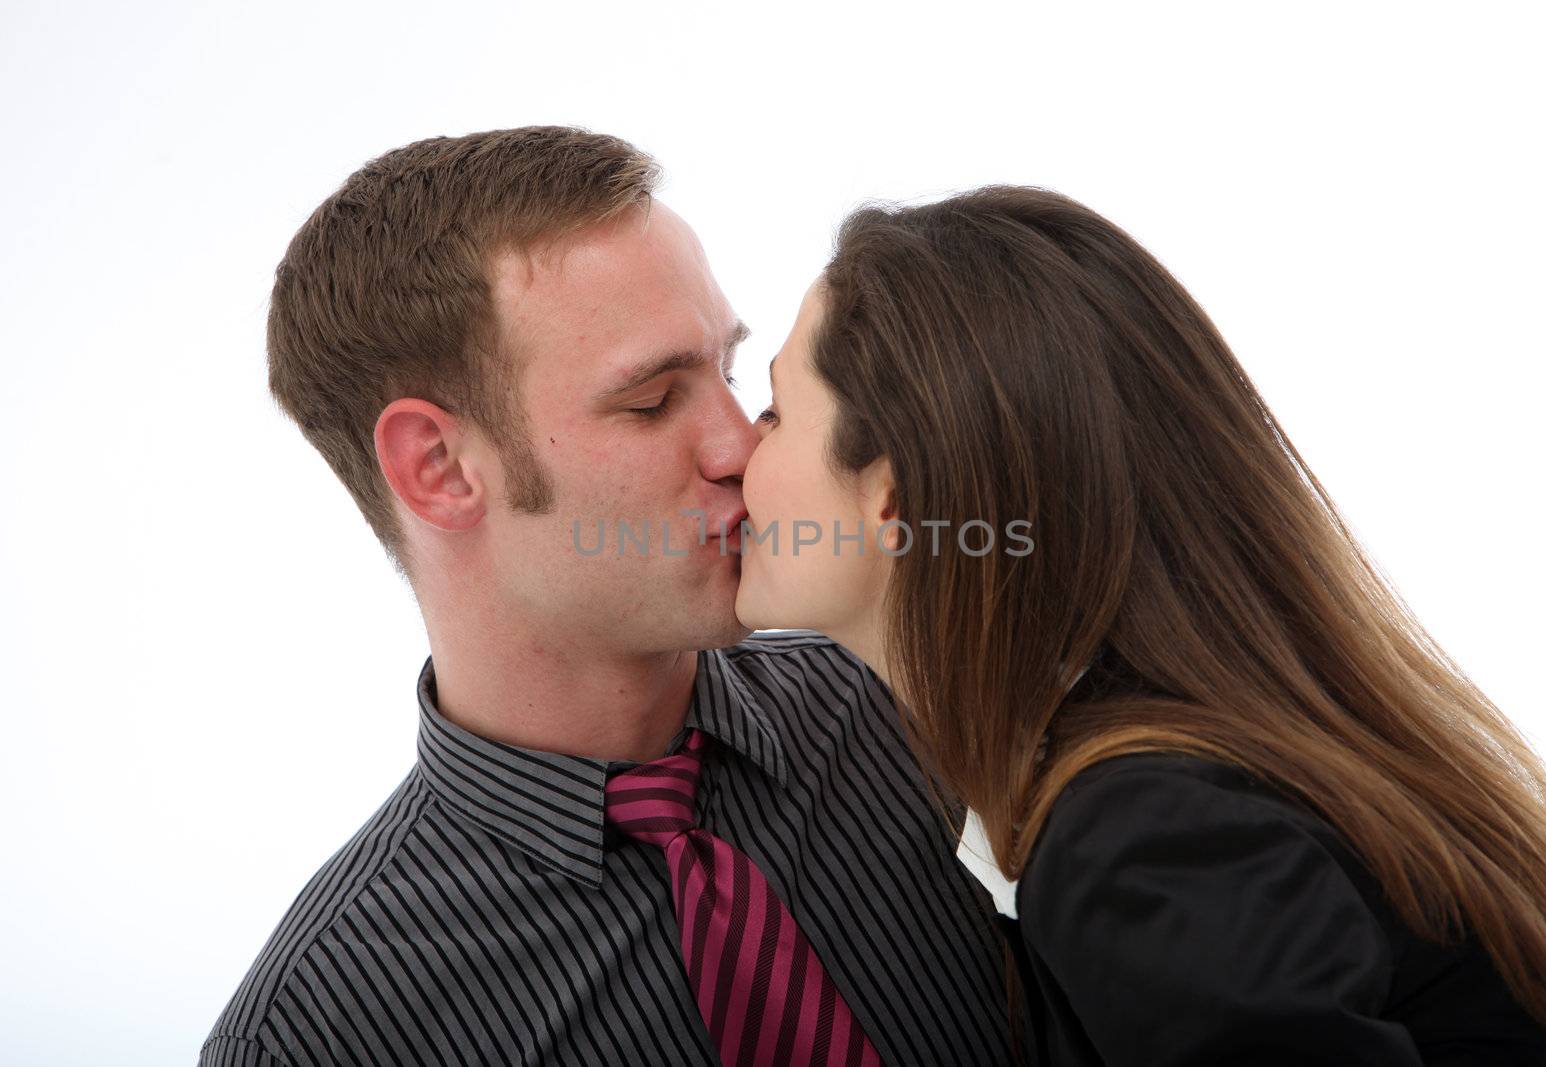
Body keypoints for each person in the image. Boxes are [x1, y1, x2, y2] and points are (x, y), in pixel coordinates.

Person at [198, 128, 1017, 1067]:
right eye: (652, 402)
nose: (741, 449)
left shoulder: (913, 700)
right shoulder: (322, 1037)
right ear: (438, 469)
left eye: (730, 373)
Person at [733, 184, 1546, 1066]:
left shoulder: (1138, 842)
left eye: (773, 410)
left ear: (899, 501)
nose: (735, 451)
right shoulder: (1166, 770)